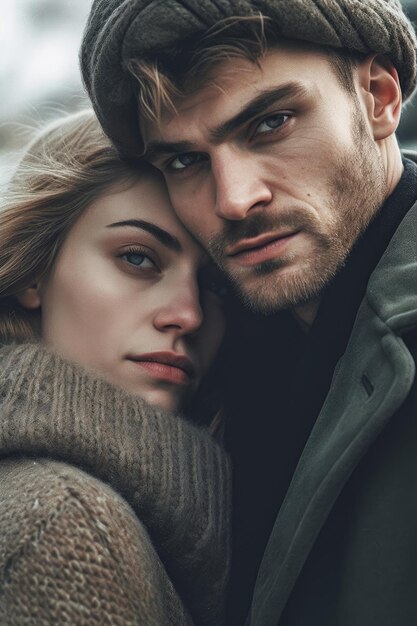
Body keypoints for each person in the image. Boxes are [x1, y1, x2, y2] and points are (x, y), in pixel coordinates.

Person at [80, 1, 417, 625]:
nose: (234, 200)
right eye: (183, 161)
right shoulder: (209, 351)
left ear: (379, 97)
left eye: (271, 123)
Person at [0, 109, 231, 625]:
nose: (189, 315)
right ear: (34, 273)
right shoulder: (65, 524)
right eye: (138, 258)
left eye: (217, 285)